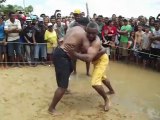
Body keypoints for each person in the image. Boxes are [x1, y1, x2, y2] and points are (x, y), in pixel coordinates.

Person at [67, 22, 115, 111]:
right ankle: (111, 91)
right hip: (96, 60)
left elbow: (88, 59)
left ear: (97, 33)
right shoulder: (82, 36)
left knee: (95, 83)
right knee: (102, 77)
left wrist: (74, 54)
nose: (91, 35)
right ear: (86, 30)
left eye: (93, 33)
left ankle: (106, 99)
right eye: (89, 32)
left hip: (102, 60)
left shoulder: (96, 41)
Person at [48, 17, 90, 115]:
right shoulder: (83, 33)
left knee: (70, 69)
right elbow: (85, 50)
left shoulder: (71, 29)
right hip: (63, 56)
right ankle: (51, 108)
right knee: (62, 86)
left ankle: (64, 88)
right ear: (86, 25)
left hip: (59, 52)